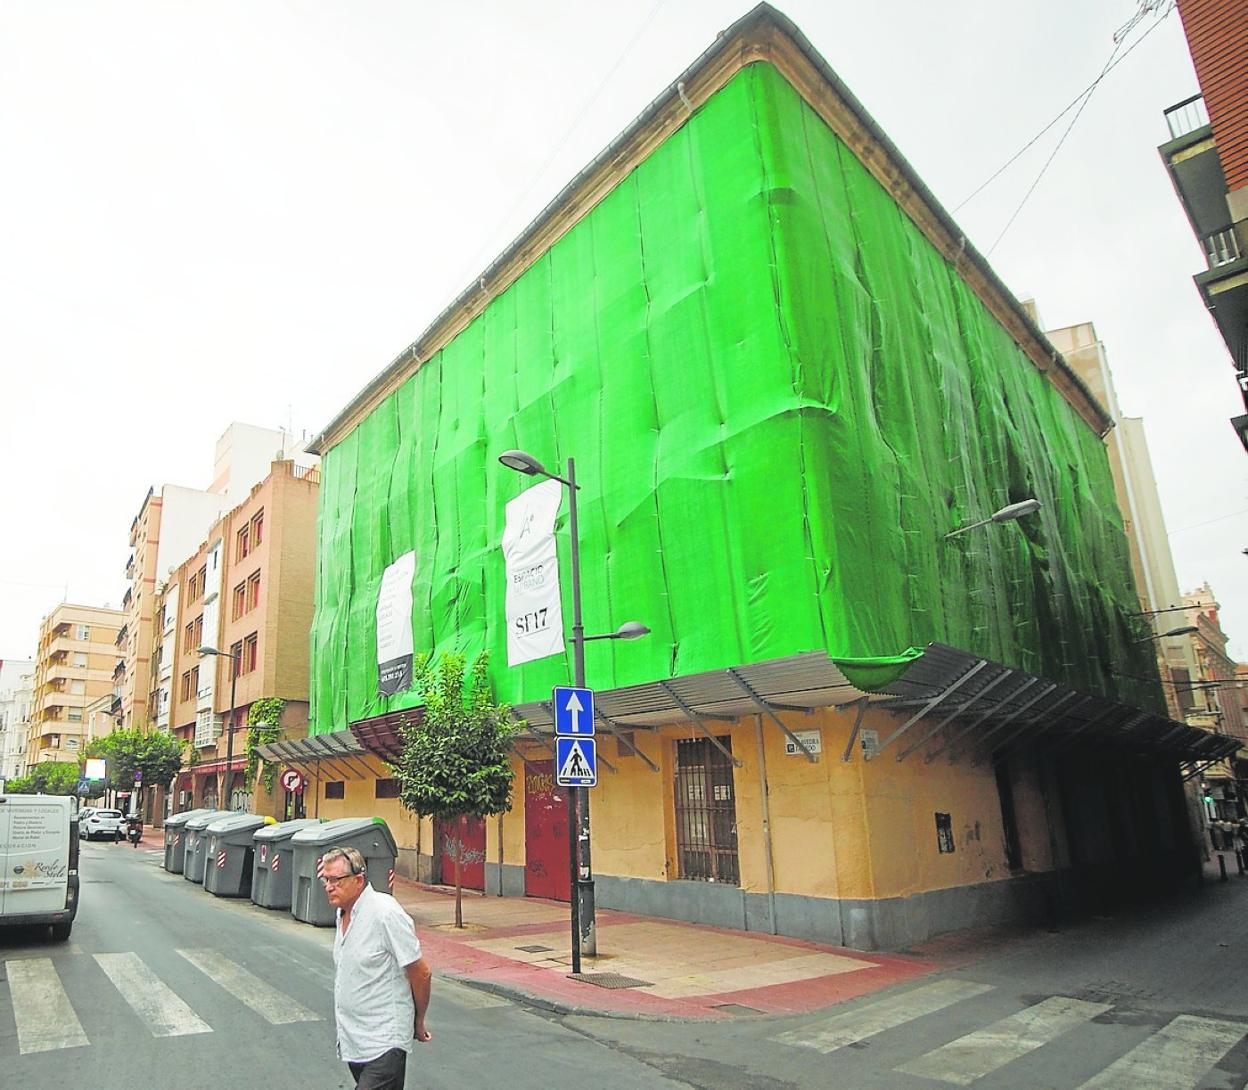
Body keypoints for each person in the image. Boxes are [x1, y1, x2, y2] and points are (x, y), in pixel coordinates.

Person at [323, 846, 432, 1088]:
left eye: (335, 880)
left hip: (385, 1042)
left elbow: (421, 972)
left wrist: (418, 1020)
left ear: (358, 880)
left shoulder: (385, 913)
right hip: (355, 1042)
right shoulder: (343, 914)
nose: (328, 886)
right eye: (326, 879)